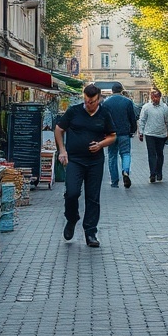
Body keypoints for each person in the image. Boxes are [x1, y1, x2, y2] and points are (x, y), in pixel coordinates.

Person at [55, 84, 116, 247]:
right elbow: (59, 129)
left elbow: (112, 136)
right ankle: (72, 218)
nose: (89, 105)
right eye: (87, 101)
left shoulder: (104, 113)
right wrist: (62, 150)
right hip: (74, 160)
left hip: (95, 161)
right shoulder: (73, 111)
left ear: (99, 99)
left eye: (93, 102)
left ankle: (90, 233)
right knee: (72, 193)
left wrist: (101, 144)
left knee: (93, 197)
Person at [103, 83, 138, 188]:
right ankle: (125, 171)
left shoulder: (106, 103)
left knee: (112, 156)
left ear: (112, 91)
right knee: (126, 153)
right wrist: (133, 130)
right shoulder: (127, 102)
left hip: (111, 134)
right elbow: (132, 117)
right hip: (124, 133)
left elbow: (103, 119)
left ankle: (114, 181)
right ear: (122, 90)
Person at [138, 89, 168, 182]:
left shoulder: (164, 107)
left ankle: (159, 172)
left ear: (160, 97)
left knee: (160, 154)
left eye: (156, 97)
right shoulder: (146, 107)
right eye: (153, 97)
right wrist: (141, 132)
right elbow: (142, 120)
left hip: (161, 134)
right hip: (149, 134)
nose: (155, 99)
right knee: (151, 154)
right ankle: (152, 174)